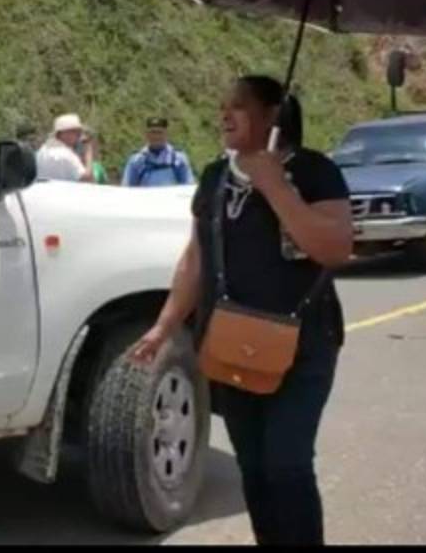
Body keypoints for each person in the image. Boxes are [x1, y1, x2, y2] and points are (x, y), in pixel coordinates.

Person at [130, 75, 353, 546]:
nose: (225, 116)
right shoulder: (215, 177)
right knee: (252, 465)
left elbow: (334, 247)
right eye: (223, 106)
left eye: (239, 107)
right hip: (231, 343)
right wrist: (164, 326)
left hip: (303, 346)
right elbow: (195, 259)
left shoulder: (314, 171)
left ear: (273, 115)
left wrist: (275, 186)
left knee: (286, 464)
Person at [121, 117, 195, 187]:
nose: (156, 136)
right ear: (147, 134)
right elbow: (127, 189)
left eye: (159, 132)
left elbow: (188, 187)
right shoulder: (136, 160)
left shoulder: (178, 158)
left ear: (166, 134)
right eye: (153, 132)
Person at [36, 113, 96, 182]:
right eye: (76, 132)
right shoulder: (67, 154)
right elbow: (88, 179)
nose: (79, 135)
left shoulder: (41, 151)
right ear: (63, 134)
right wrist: (89, 152)